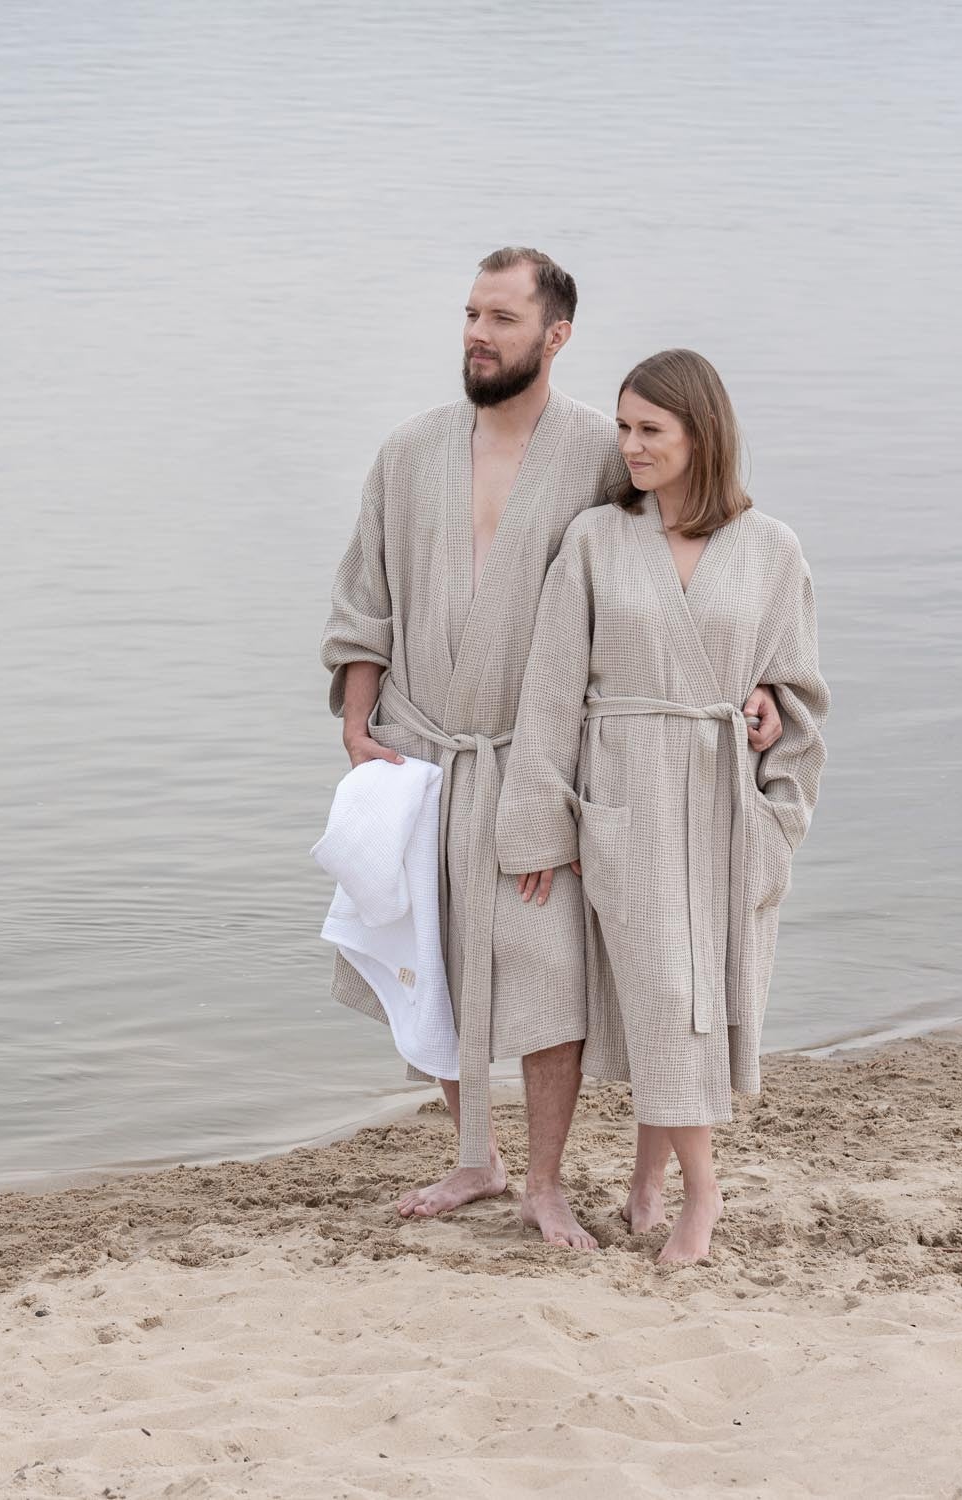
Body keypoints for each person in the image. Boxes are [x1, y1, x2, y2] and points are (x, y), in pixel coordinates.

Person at [321, 250, 786, 1251]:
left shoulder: (595, 453)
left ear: (554, 334)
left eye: (501, 318)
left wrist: (747, 687)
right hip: (417, 747)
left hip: (543, 760)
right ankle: (474, 1157)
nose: (477, 335)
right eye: (470, 314)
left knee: (547, 973)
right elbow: (365, 597)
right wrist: (357, 723)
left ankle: (542, 1180)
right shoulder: (408, 452)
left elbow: (678, 558)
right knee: (428, 958)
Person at [496, 348, 829, 1264]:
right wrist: (539, 823)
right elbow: (551, 691)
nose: (631, 446)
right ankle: (703, 1192)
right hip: (626, 797)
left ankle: (649, 1180)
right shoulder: (596, 538)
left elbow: (799, 685)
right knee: (664, 990)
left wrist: (776, 770)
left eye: (651, 430)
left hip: (724, 802)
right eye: (623, 427)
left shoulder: (771, 549)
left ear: (701, 434)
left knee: (693, 998)